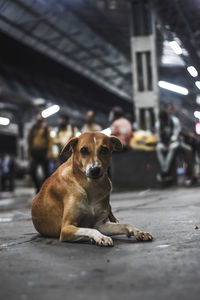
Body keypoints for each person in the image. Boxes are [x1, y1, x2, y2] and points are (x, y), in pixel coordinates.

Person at [27, 112, 52, 193]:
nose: (38, 121)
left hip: (44, 151)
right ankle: (38, 188)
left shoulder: (46, 128)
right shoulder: (33, 129)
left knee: (46, 172)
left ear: (42, 120)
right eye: (37, 119)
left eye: (40, 119)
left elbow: (50, 141)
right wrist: (28, 153)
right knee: (32, 170)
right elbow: (30, 141)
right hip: (35, 152)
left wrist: (49, 152)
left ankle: (45, 189)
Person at [156, 109, 181, 180]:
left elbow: (175, 135)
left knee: (172, 148)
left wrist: (168, 145)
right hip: (163, 143)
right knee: (158, 148)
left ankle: (164, 171)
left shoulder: (174, 121)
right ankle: (165, 169)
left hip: (173, 142)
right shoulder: (158, 124)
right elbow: (158, 137)